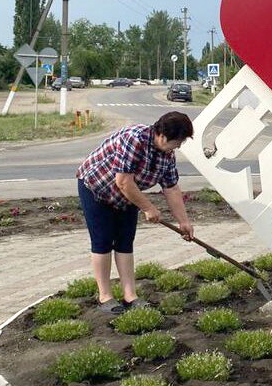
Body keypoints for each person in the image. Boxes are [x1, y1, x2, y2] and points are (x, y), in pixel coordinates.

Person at [76, 111, 195, 313]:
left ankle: (130, 296)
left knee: (124, 242)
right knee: (103, 241)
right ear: (163, 136)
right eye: (178, 142)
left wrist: (183, 221)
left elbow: (172, 188)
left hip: (129, 195)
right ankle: (105, 297)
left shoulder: (167, 155)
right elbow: (123, 181)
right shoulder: (134, 139)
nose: (179, 146)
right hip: (97, 188)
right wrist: (148, 207)